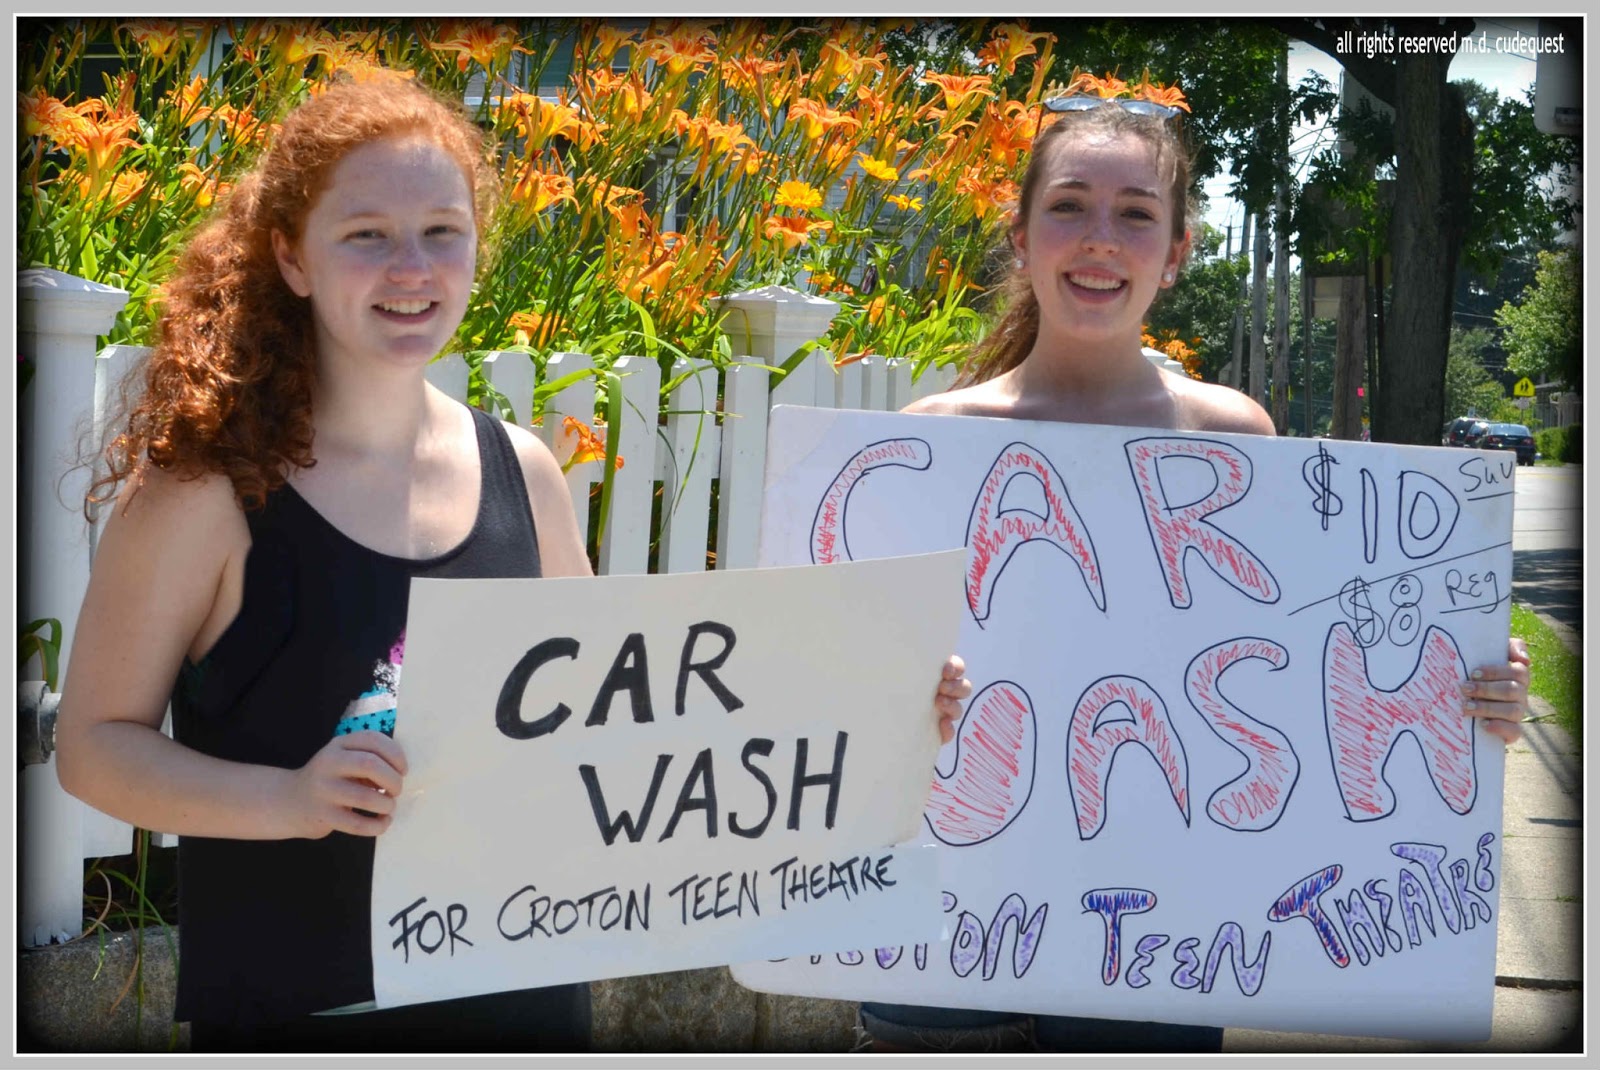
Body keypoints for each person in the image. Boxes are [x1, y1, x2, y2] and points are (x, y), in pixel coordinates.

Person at [53, 77, 971, 1053]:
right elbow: (94, 746)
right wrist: (286, 800)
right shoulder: (206, 491)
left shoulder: (522, 471)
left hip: (527, 1002)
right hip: (302, 1019)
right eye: (365, 232)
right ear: (292, 256)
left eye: (442, 230)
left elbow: (617, 733)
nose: (411, 266)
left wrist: (876, 702)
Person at [858, 88, 1532, 1054]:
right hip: (942, 919)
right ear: (1019, 236)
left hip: (1159, 933)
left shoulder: (1233, 436)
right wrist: (897, 694)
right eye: (1069, 205)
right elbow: (844, 685)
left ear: (1175, 255)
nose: (1101, 238)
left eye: (1136, 215)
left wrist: (1467, 684)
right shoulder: (924, 444)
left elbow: (1296, 665)